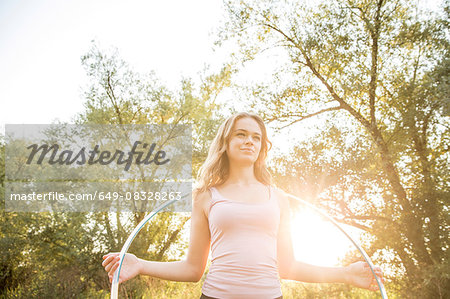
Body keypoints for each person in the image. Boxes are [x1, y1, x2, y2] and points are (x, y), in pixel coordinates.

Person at [102, 112, 384, 298]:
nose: (249, 140)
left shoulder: (279, 198)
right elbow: (192, 270)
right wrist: (140, 264)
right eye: (241, 134)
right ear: (226, 141)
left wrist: (345, 274)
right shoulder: (205, 196)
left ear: (262, 147)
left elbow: (288, 267)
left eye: (256, 137)